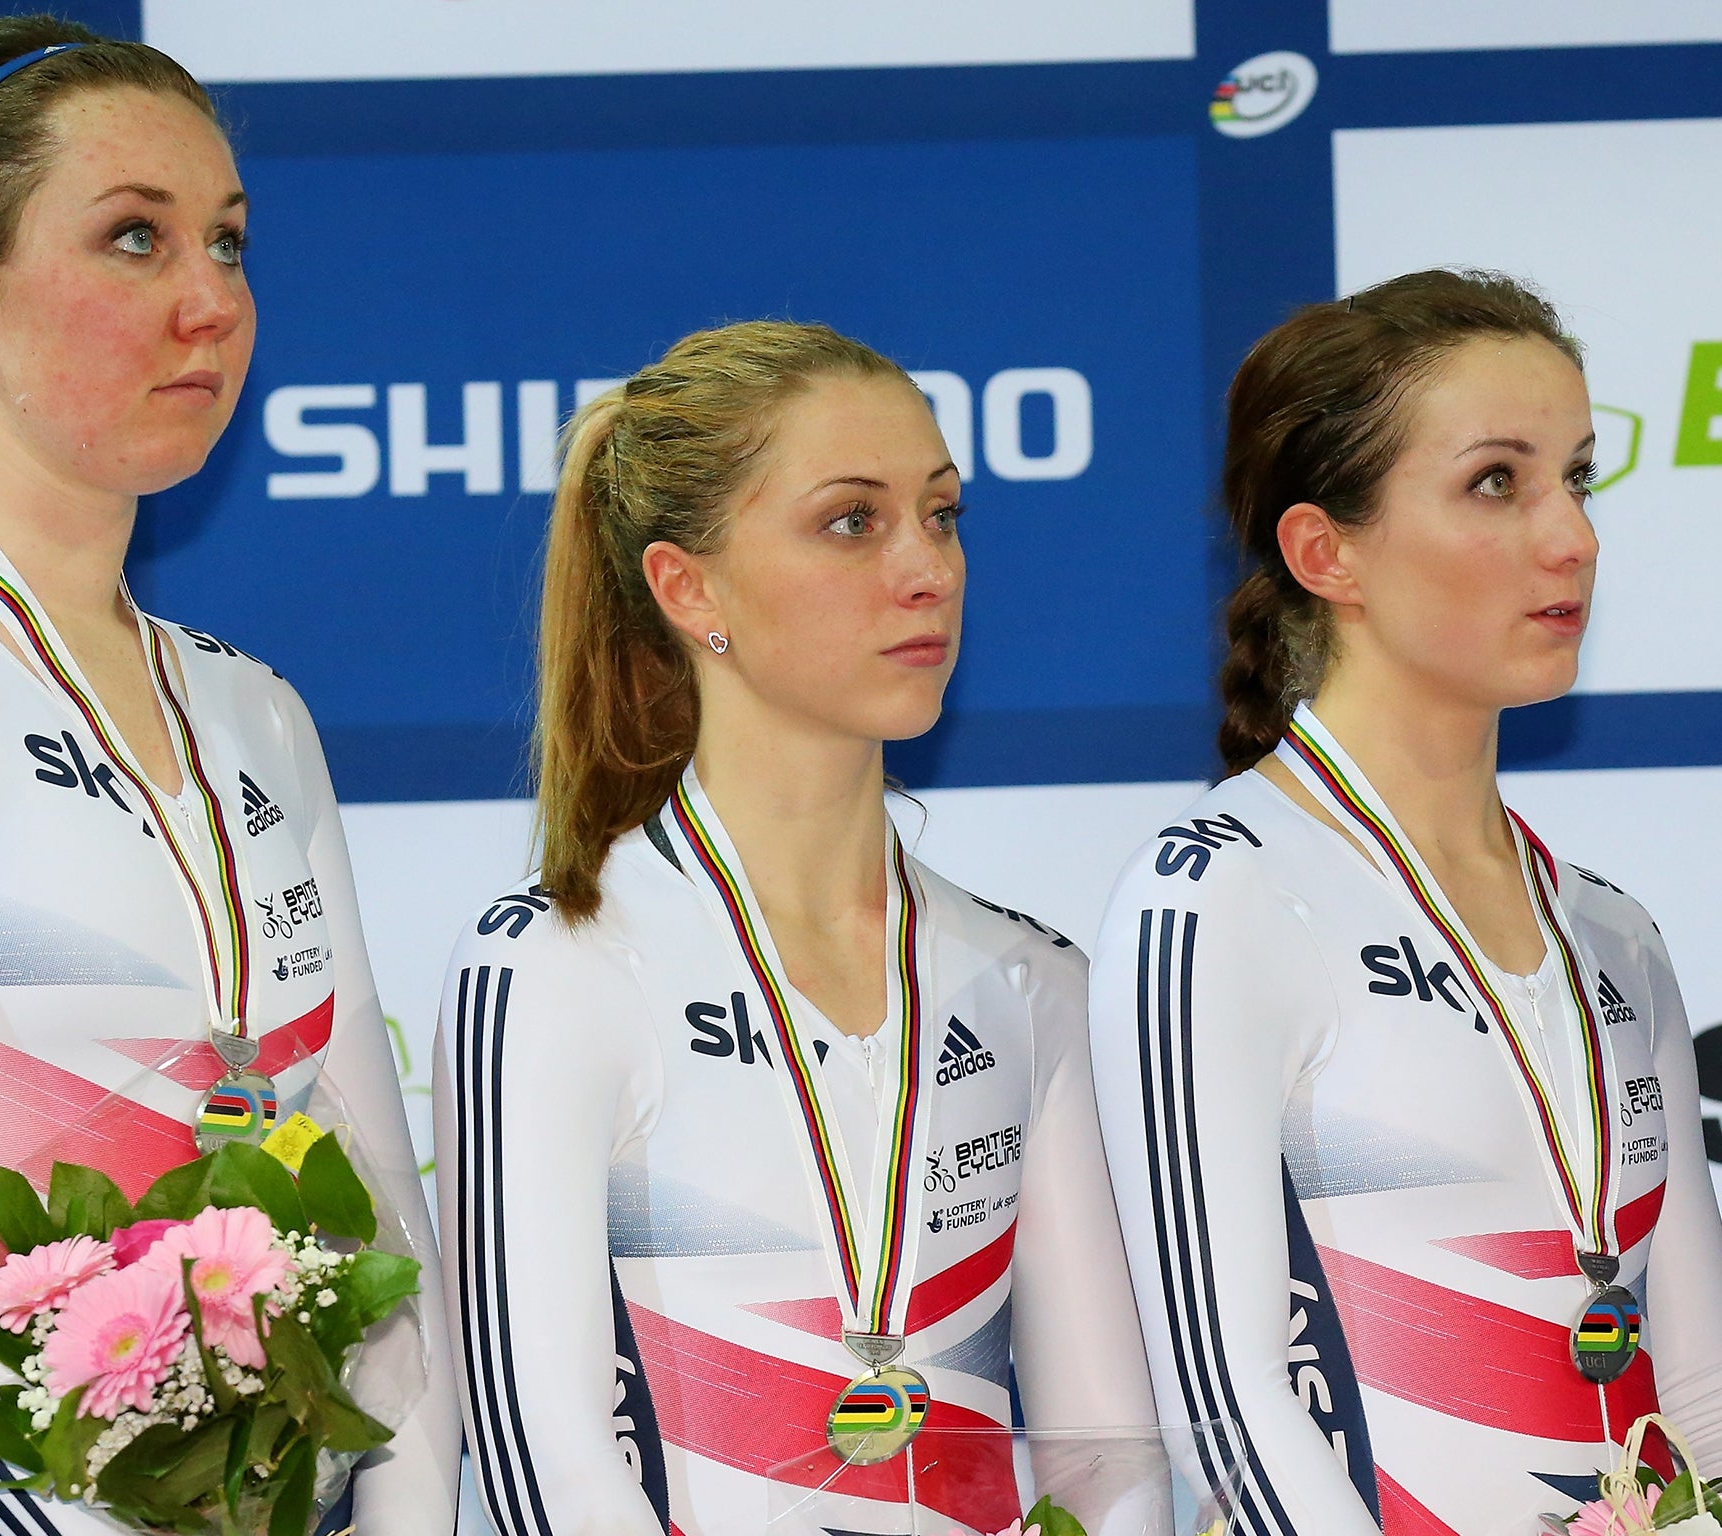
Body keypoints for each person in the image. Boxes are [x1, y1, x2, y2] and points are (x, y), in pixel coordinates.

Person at [0, 18, 458, 1535]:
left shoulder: (261, 716)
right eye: (134, 238)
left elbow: (389, 1237)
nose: (210, 303)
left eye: (230, 244)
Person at [434, 320, 1155, 1536]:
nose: (925, 567)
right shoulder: (551, 969)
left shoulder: (1029, 984)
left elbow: (1108, 1465)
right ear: (687, 586)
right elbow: (544, 1474)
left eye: (941, 513)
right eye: (850, 521)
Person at [1088, 270, 1722, 1536]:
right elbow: (1220, 1407)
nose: (1572, 538)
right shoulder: (1216, 896)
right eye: (1496, 483)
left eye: (1576, 479)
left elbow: (1697, 1393)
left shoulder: (1612, 933)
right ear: (1326, 552)